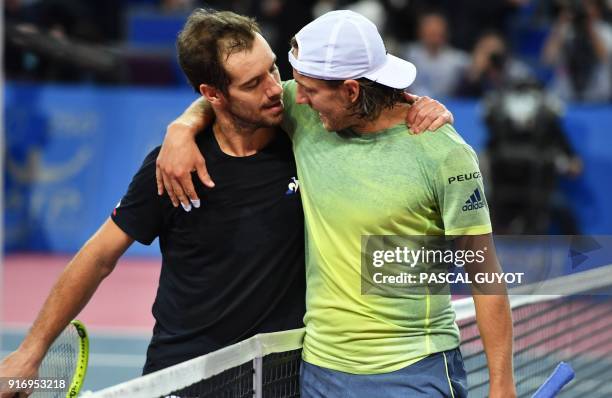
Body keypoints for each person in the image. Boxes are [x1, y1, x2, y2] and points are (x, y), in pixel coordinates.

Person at [0, 9, 452, 397]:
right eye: (253, 83)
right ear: (212, 95)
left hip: (277, 374)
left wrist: (419, 108)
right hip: (184, 374)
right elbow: (98, 257)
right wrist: (31, 351)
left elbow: (367, 105)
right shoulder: (172, 168)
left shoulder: (308, 135)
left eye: (273, 69)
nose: (276, 88)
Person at [157, 10, 515, 398]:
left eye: (308, 89)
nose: (292, 95)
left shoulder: (444, 155)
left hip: (413, 371)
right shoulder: (305, 111)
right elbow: (228, 97)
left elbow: (485, 273)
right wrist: (181, 128)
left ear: (351, 90)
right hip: (319, 372)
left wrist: (502, 385)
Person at [541, 0, 612, 102]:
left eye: (588, 7)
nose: (582, 11)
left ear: (597, 10)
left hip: (597, 97)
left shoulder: (605, 31)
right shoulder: (563, 30)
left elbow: (605, 58)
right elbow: (548, 59)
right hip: (565, 96)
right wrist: (560, 24)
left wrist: (590, 29)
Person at [401, 11, 470, 98]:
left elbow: (473, 73)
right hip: (413, 103)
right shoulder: (407, 54)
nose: (434, 36)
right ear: (421, 32)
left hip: (448, 105)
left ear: (445, 33)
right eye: (431, 32)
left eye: (437, 32)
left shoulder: (457, 59)